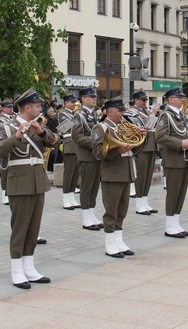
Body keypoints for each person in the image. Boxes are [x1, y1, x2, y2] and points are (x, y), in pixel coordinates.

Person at [0, 88, 55, 289]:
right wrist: (16, 137)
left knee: (33, 227)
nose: (40, 109)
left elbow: (54, 141)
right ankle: (16, 269)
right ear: (27, 107)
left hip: (38, 180)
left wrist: (40, 131)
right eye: (37, 106)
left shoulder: (40, 125)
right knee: (20, 227)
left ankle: (29, 266)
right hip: (19, 181)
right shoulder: (7, 127)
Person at [91, 97, 137, 258]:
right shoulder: (101, 127)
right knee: (111, 210)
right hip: (112, 173)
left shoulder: (124, 126)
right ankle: (110, 243)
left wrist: (139, 138)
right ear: (110, 111)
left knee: (122, 210)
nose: (122, 113)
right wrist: (117, 151)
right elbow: (97, 152)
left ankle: (118, 240)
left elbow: (136, 148)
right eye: (120, 111)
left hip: (125, 171)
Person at [156, 88, 188, 238]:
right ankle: (169, 225)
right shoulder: (166, 115)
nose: (183, 100)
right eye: (179, 97)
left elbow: (187, 133)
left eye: (183, 97)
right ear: (170, 100)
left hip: (184, 159)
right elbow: (160, 136)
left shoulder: (180, 115)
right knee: (173, 192)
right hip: (173, 159)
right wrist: (179, 143)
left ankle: (176, 222)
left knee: (181, 193)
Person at [71, 88, 103, 230]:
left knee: (95, 186)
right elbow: (76, 136)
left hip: (96, 154)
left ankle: (92, 214)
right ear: (83, 99)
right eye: (91, 97)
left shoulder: (94, 114)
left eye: (94, 96)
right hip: (86, 155)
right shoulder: (79, 115)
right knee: (86, 186)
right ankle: (86, 217)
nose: (94, 99)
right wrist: (95, 142)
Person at [125, 91, 159, 215]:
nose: (145, 102)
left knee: (148, 175)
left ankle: (145, 201)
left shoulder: (146, 112)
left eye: (146, 100)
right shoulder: (131, 113)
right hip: (142, 146)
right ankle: (139, 204)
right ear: (136, 100)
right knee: (141, 174)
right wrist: (153, 114)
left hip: (151, 145)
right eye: (143, 100)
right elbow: (142, 126)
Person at [59, 94, 80, 210]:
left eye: (74, 102)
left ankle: (72, 196)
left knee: (76, 173)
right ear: (66, 103)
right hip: (69, 143)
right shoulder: (63, 113)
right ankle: (66, 198)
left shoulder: (74, 114)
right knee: (69, 172)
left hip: (77, 144)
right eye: (71, 102)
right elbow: (65, 127)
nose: (74, 104)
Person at [0, 100, 15, 205]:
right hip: (4, 145)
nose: (11, 109)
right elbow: (7, 128)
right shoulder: (0, 119)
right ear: (2, 108)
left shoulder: (13, 118)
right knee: (5, 171)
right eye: (8, 107)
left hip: (13, 146)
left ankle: (10, 191)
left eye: (11, 107)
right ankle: (4, 195)